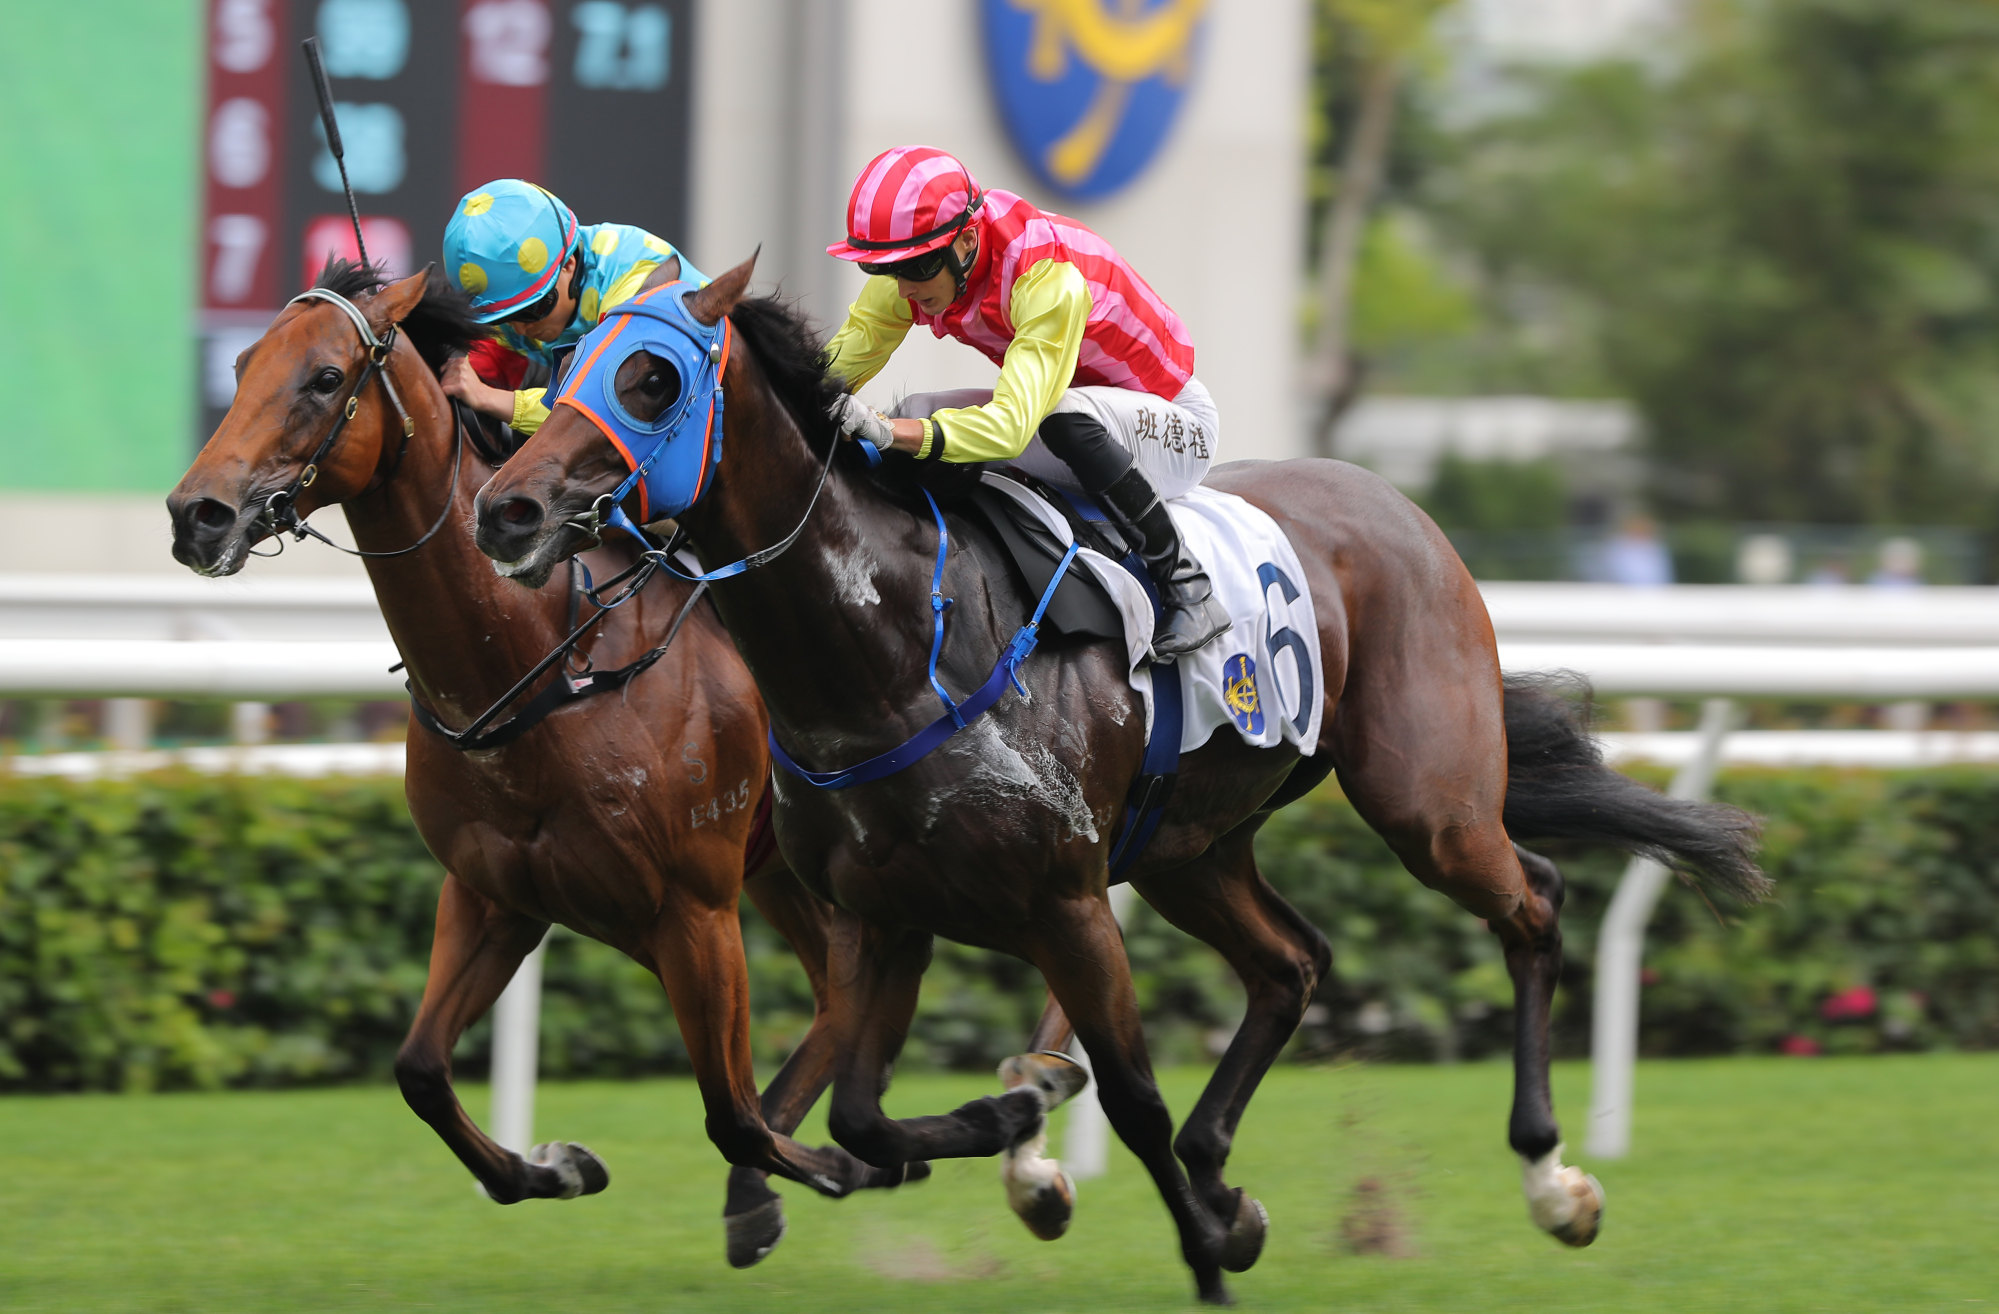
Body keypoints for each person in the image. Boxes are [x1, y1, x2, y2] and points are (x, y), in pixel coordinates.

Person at [820, 145, 1230, 659]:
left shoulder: (1046, 276)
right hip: (1089, 415)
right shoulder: (927, 264)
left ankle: (1186, 585)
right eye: (885, 268)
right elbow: (832, 373)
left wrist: (888, 431)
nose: (903, 288)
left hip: (1176, 426)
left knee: (1053, 416)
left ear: (967, 241)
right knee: (918, 409)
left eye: (916, 267)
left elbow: (1012, 428)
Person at [439, 179, 706, 436]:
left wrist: (486, 397)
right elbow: (475, 378)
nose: (520, 329)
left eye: (533, 309)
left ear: (568, 265)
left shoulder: (632, 280)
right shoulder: (513, 299)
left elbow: (597, 413)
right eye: (504, 318)